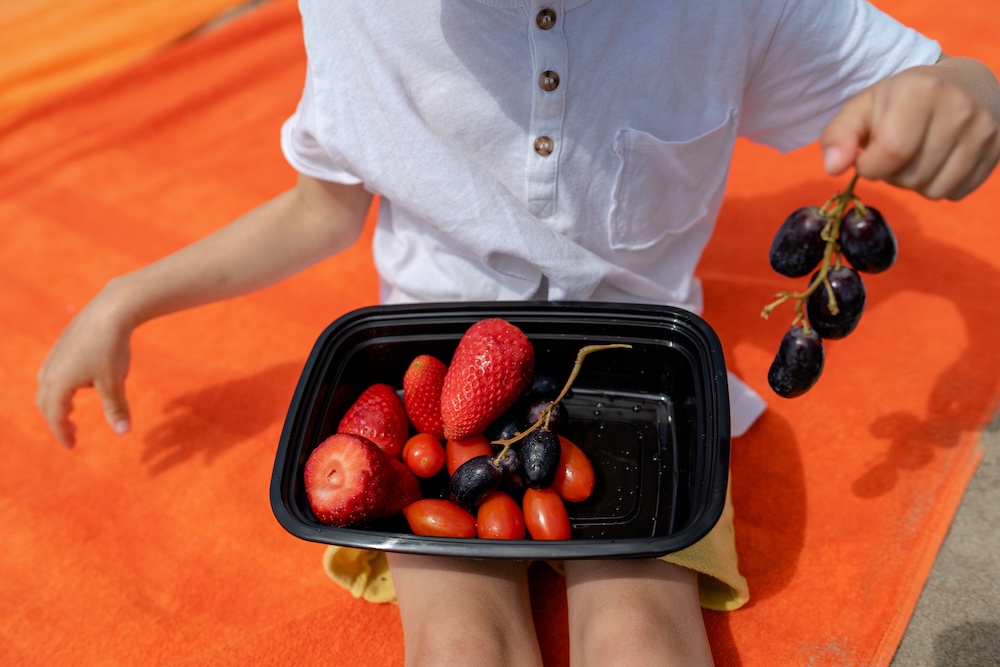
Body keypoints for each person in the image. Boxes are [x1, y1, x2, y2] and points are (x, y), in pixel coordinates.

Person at [35, 1, 1000, 665]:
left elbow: (933, 77)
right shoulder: (358, 16)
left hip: (638, 373)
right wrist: (131, 293)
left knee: (642, 635)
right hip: (431, 375)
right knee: (460, 643)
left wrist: (967, 94)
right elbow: (317, 209)